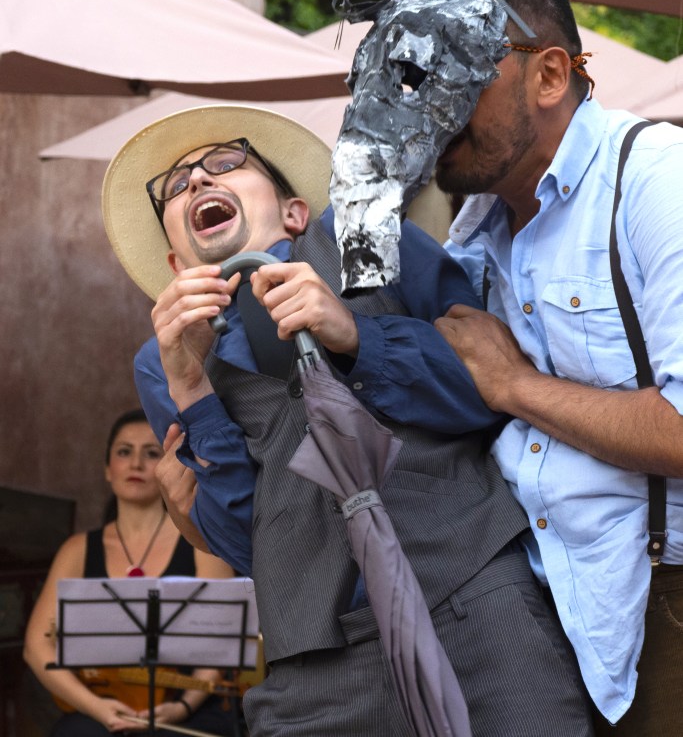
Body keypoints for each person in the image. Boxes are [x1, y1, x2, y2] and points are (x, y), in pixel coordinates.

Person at [101, 104, 594, 737]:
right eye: (175, 185)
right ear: (177, 263)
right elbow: (247, 543)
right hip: (313, 658)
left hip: (471, 598)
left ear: (294, 212)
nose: (197, 179)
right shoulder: (160, 363)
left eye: (227, 162)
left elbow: (488, 395)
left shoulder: (363, 236)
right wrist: (193, 392)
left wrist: (357, 334)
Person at [427, 0, 683, 735]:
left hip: (663, 601)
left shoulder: (657, 179)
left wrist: (514, 385)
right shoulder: (468, 233)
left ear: (546, 75)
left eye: (455, 71)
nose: (429, 105)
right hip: (530, 611)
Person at [24, 409, 239, 737]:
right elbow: (36, 648)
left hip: (188, 710)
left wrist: (183, 706)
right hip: (99, 710)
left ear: (169, 466)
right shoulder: (77, 549)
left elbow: (224, 642)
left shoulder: (202, 542)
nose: (136, 463)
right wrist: (97, 708)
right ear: (107, 469)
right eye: (124, 452)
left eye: (151, 453)